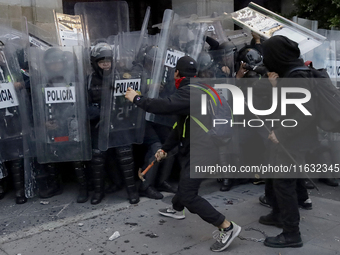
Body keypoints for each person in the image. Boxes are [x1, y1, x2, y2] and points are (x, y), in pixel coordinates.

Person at [125, 56, 241, 252]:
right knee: (185, 180)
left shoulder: (189, 93)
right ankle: (176, 209)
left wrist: (136, 98)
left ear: (176, 73)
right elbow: (181, 125)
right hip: (200, 147)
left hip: (203, 151)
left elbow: (163, 106)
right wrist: (165, 148)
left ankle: (226, 227)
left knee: (188, 194)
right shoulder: (200, 88)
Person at [258, 35, 318, 248]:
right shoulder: (291, 73)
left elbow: (306, 112)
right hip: (289, 138)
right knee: (275, 179)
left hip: (293, 140)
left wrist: (281, 133)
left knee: (284, 184)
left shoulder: (297, 76)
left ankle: (292, 234)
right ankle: (277, 214)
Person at [88, 42, 139, 205]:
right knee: (97, 159)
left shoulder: (122, 77)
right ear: (95, 62)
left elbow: (133, 99)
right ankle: (98, 192)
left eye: (108, 60)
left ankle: (132, 191)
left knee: (125, 157)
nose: (105, 64)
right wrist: (100, 114)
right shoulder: (89, 80)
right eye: (101, 61)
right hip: (99, 125)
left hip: (120, 124)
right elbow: (84, 106)